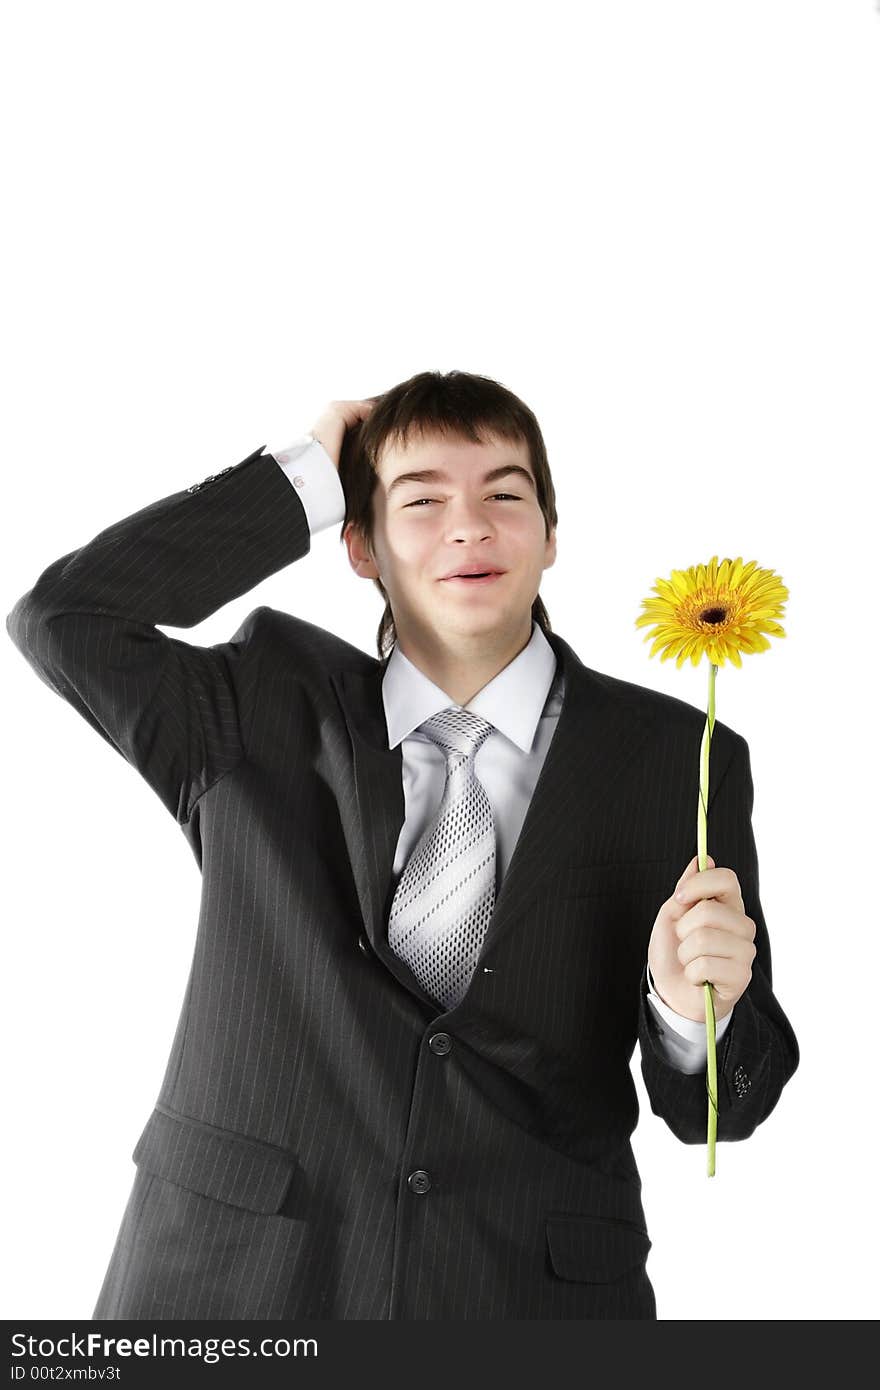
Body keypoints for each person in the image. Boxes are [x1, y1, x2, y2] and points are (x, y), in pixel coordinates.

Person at [6, 369, 799, 1320]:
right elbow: (62, 619)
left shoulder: (680, 758)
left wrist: (688, 1016)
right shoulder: (253, 707)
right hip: (236, 1285)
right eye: (421, 501)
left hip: (523, 1295)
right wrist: (299, 477)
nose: (470, 527)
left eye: (505, 495)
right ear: (359, 542)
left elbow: (723, 1111)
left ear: (551, 535)